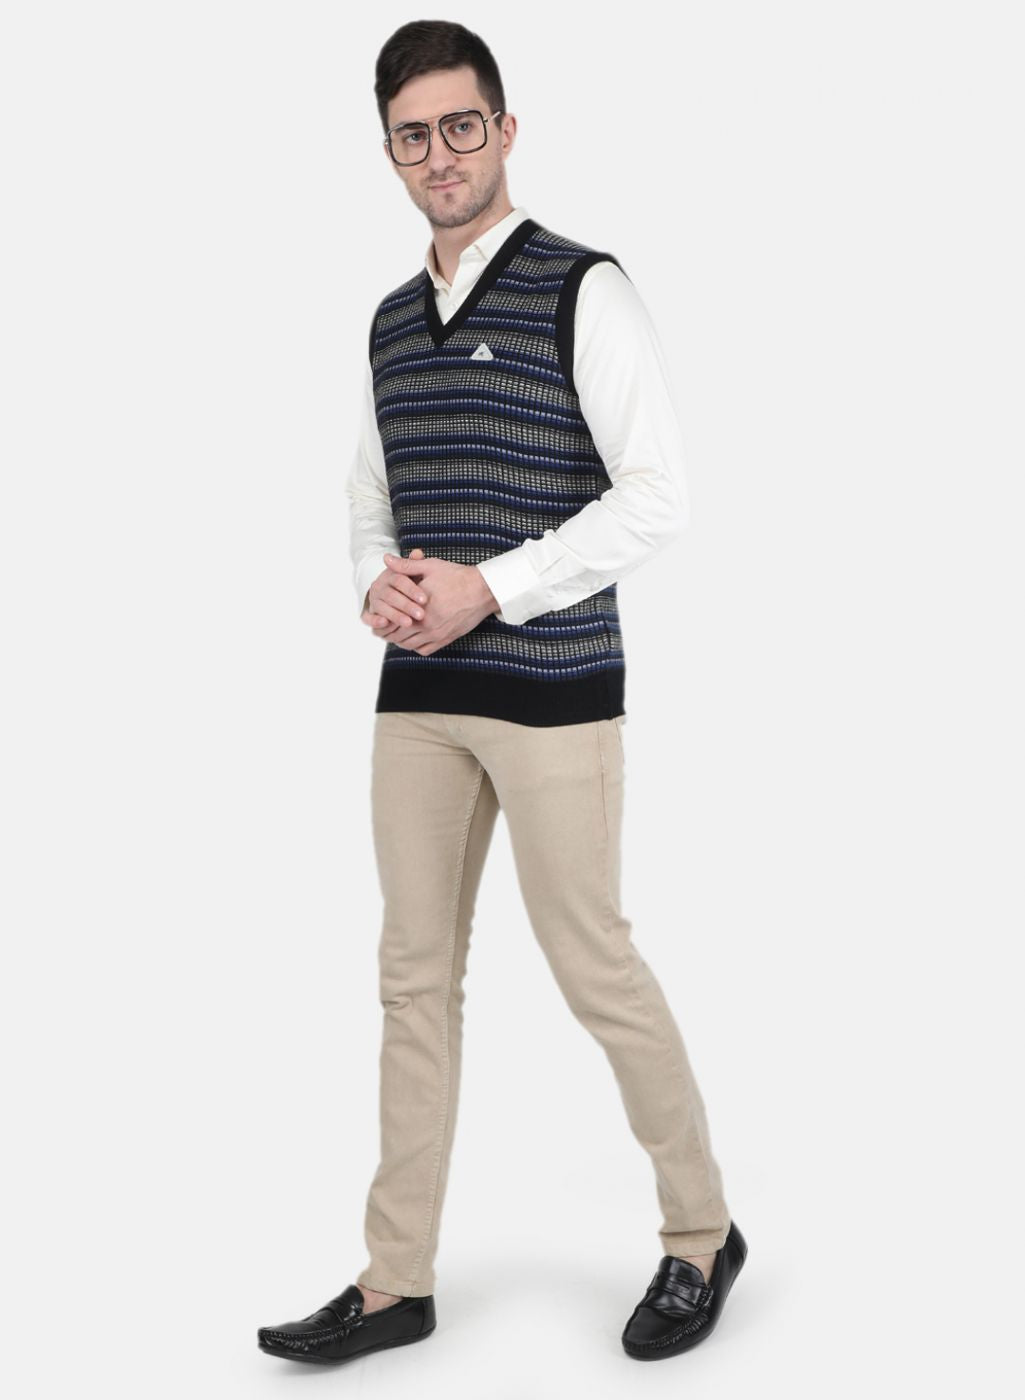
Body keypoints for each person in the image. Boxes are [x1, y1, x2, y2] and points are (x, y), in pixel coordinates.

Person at [258, 18, 747, 1368]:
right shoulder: (388, 319)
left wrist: (492, 587)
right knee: (411, 979)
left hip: (553, 689)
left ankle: (700, 1231)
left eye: (461, 125)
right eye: (412, 135)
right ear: (389, 153)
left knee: (593, 963)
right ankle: (394, 1282)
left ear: (506, 129)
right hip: (417, 695)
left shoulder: (585, 288)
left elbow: (658, 497)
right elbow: (370, 492)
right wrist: (373, 580)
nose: (441, 154)